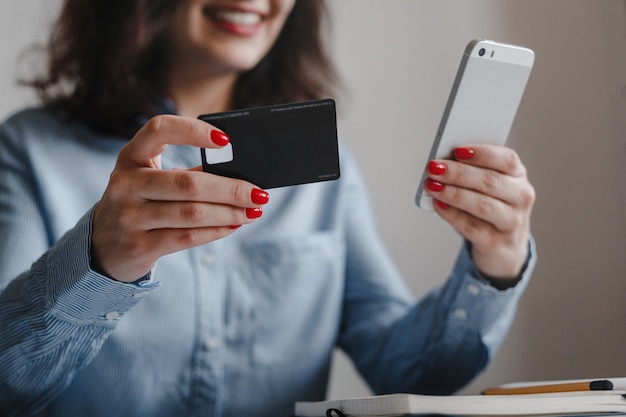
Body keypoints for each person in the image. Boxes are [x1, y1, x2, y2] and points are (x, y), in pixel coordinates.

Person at [0, 0, 537, 416]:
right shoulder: (29, 151)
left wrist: (495, 266)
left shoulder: (327, 174)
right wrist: (99, 264)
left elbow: (414, 374)